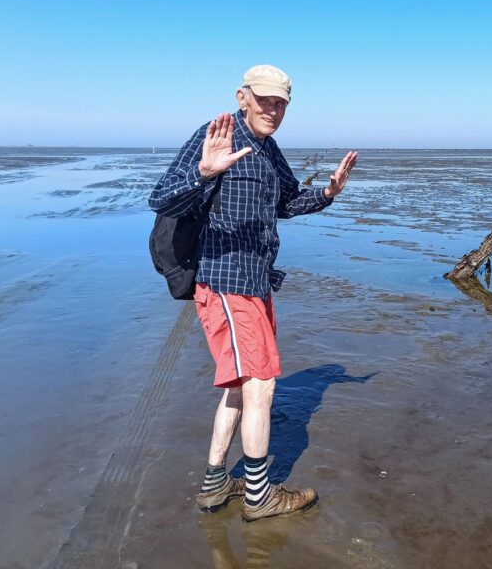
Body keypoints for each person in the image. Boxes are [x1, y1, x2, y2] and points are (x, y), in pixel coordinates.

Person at [148, 64, 358, 522]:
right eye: (264, 99)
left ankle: (214, 483)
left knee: (242, 388)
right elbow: (162, 198)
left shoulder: (267, 146)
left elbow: (285, 203)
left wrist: (327, 193)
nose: (273, 109)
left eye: (281, 102)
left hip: (257, 283)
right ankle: (260, 497)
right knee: (261, 384)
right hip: (225, 282)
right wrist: (204, 173)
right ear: (243, 96)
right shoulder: (215, 134)